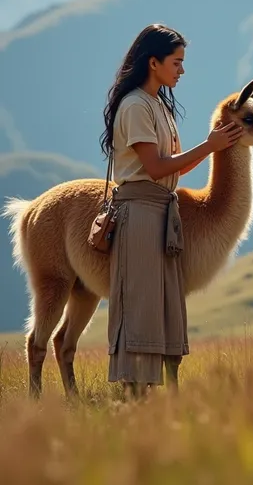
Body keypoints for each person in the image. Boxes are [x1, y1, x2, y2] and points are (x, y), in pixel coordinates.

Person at [100, 24, 243, 398]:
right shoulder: (134, 106)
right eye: (176, 62)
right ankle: (132, 396)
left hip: (163, 212)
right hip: (141, 213)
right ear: (153, 62)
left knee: (162, 306)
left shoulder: (158, 106)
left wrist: (215, 147)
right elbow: (157, 167)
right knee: (142, 306)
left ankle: (153, 399)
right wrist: (209, 145)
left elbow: (172, 167)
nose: (182, 70)